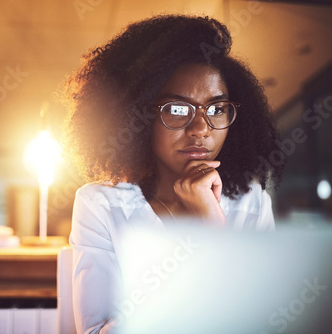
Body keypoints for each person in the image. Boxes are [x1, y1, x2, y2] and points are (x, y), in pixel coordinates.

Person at [61, 14, 284, 333]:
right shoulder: (102, 206)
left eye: (216, 109)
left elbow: (267, 322)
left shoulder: (252, 202)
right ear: (135, 116)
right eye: (178, 109)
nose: (201, 129)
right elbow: (97, 330)